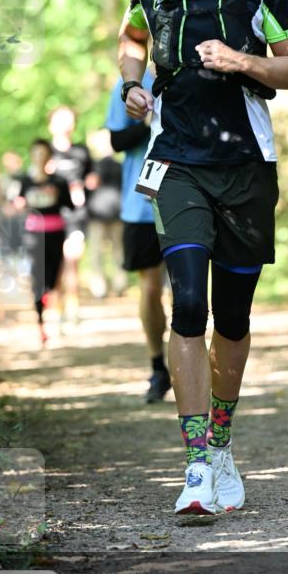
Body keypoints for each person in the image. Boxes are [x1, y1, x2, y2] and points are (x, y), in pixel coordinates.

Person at [117, 0, 288, 515]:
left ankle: (223, 443)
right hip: (177, 164)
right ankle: (197, 462)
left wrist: (241, 61)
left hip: (247, 167)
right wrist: (132, 88)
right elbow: (133, 41)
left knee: (232, 317)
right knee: (188, 303)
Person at [106, 69, 171, 403]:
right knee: (149, 287)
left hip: (191, 197)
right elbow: (116, 141)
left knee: (188, 289)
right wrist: (150, 119)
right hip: (141, 202)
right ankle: (158, 366)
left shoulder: (200, 68)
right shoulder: (130, 81)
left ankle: (190, 362)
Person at [14, 139, 74, 346]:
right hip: (33, 236)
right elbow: (18, 205)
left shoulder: (59, 181)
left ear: (49, 156)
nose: (40, 158)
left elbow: (70, 206)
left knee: (55, 279)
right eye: (36, 153)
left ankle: (57, 320)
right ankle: (41, 326)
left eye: (44, 153)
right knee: (37, 280)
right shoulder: (25, 181)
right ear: (32, 155)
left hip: (56, 233)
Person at [48, 106, 96, 330]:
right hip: (52, 217)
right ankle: (56, 311)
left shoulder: (81, 151)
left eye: (69, 119)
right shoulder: (45, 152)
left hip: (76, 216)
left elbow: (93, 180)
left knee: (72, 262)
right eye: (61, 119)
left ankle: (73, 311)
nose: (66, 124)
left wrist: (84, 188)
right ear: (51, 124)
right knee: (56, 265)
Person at [85, 129, 127, 299]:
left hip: (116, 215)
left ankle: (119, 285)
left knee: (117, 252)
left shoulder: (119, 165)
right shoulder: (94, 165)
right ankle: (100, 287)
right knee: (97, 253)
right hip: (97, 216)